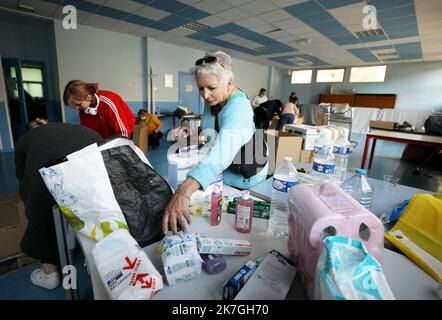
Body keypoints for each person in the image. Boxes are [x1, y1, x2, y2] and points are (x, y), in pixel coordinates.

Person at [162, 51, 268, 234]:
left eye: (211, 87)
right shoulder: (214, 100)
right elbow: (211, 131)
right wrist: (194, 132)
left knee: (227, 226)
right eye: (200, 88)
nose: (205, 94)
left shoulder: (239, 109)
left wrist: (184, 191)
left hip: (243, 178)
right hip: (223, 173)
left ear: (229, 83)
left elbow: (222, 152)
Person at [15, 122, 103, 289]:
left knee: (40, 207)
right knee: (94, 200)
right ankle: (98, 256)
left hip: (48, 160)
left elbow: (23, 181)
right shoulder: (74, 128)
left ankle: (50, 273)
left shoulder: (24, 140)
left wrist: (30, 205)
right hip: (94, 149)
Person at [63, 80, 135, 139]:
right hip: (105, 137)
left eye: (78, 104)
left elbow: (123, 132)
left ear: (88, 98)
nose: (77, 108)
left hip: (123, 133)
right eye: (73, 106)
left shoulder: (108, 102)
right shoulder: (83, 109)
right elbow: (87, 132)